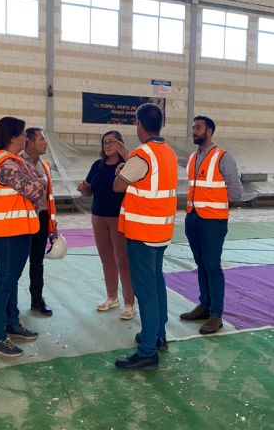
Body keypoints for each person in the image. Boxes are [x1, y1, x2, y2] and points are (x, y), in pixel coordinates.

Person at [112, 103, 178, 371]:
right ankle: (157, 334)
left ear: (139, 125)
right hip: (160, 231)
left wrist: (120, 171)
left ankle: (148, 350)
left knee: (146, 290)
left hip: (142, 232)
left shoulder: (143, 155)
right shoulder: (168, 153)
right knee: (156, 283)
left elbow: (118, 186)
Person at [0, 116, 43, 357]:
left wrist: (37, 181)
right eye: (21, 135)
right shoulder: (6, 163)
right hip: (7, 231)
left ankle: (11, 323)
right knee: (5, 281)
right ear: (11, 138)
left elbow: (35, 183)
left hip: (18, 229)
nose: (24, 139)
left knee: (11, 279)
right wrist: (38, 182)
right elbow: (36, 189)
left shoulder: (15, 161)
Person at [179, 116, 242, 334]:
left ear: (210, 131)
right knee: (201, 264)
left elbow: (235, 189)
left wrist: (221, 211)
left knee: (212, 265)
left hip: (213, 220)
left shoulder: (223, 157)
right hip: (193, 217)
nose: (194, 131)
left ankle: (216, 314)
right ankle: (204, 306)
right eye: (193, 128)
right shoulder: (192, 158)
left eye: (198, 128)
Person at [77, 131, 135, 320]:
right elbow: (89, 193)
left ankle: (129, 303)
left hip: (119, 217)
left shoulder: (127, 165)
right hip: (98, 217)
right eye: (105, 142)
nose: (108, 145)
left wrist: (126, 157)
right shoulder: (97, 165)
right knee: (107, 260)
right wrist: (84, 189)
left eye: (112, 142)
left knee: (123, 260)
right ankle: (112, 297)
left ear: (121, 143)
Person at [24, 127, 58, 317]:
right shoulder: (17, 162)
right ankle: (8, 306)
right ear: (29, 141)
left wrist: (52, 225)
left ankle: (37, 300)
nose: (45, 143)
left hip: (42, 217)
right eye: (41, 139)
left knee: (37, 261)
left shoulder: (44, 165)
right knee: (17, 263)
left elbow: (48, 198)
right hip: (23, 218)